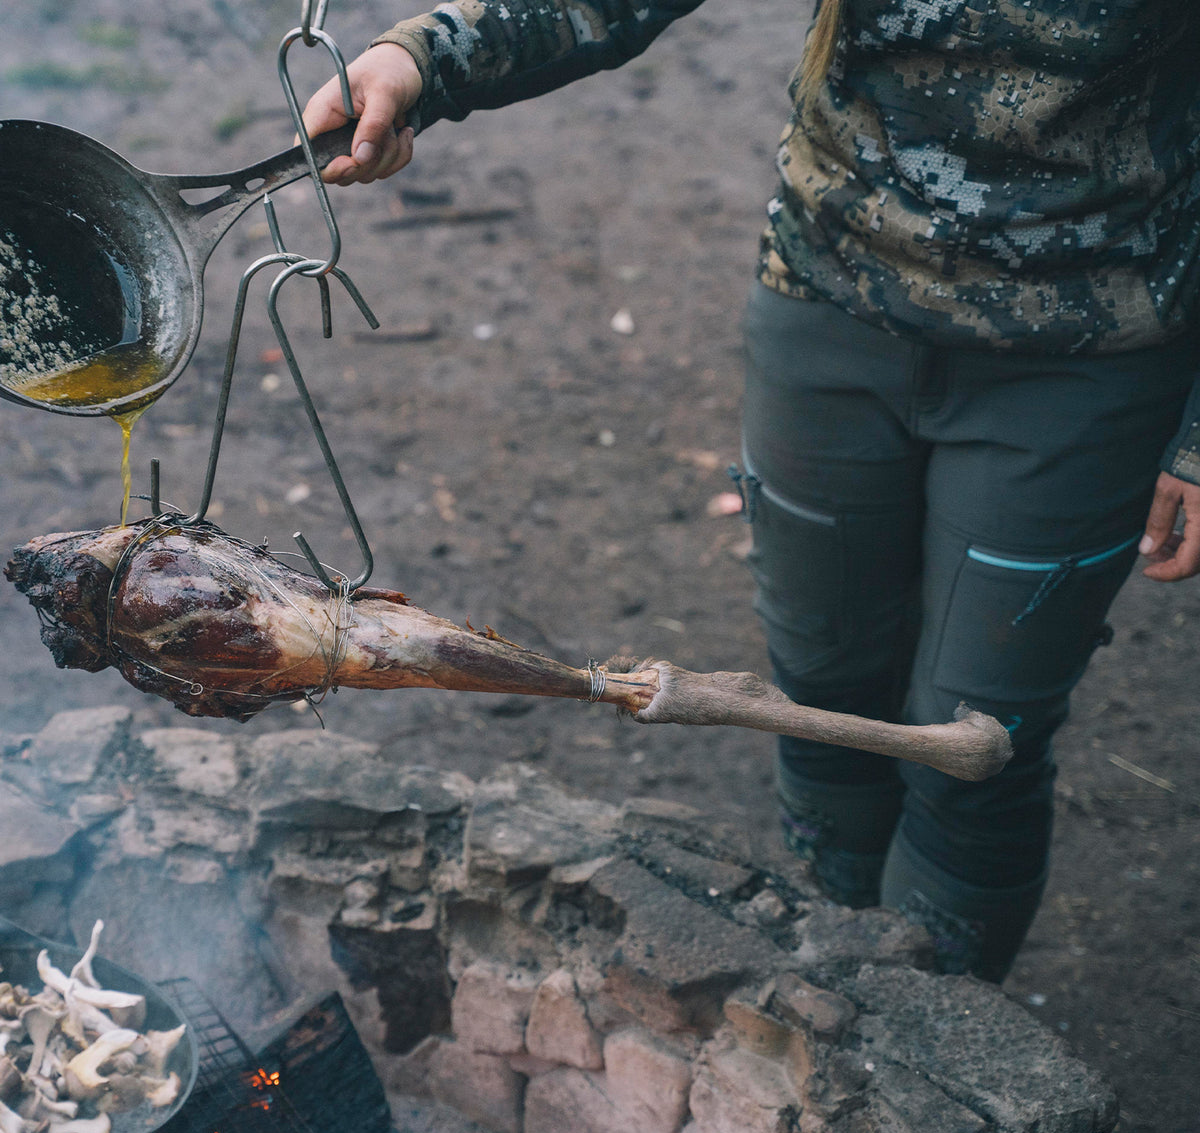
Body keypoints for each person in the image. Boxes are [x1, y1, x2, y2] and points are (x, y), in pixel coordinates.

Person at [302, 0, 1200, 982]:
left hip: (1089, 362)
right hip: (828, 317)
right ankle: (853, 987)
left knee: (975, 747)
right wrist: (420, 58)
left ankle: (936, 1031)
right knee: (822, 696)